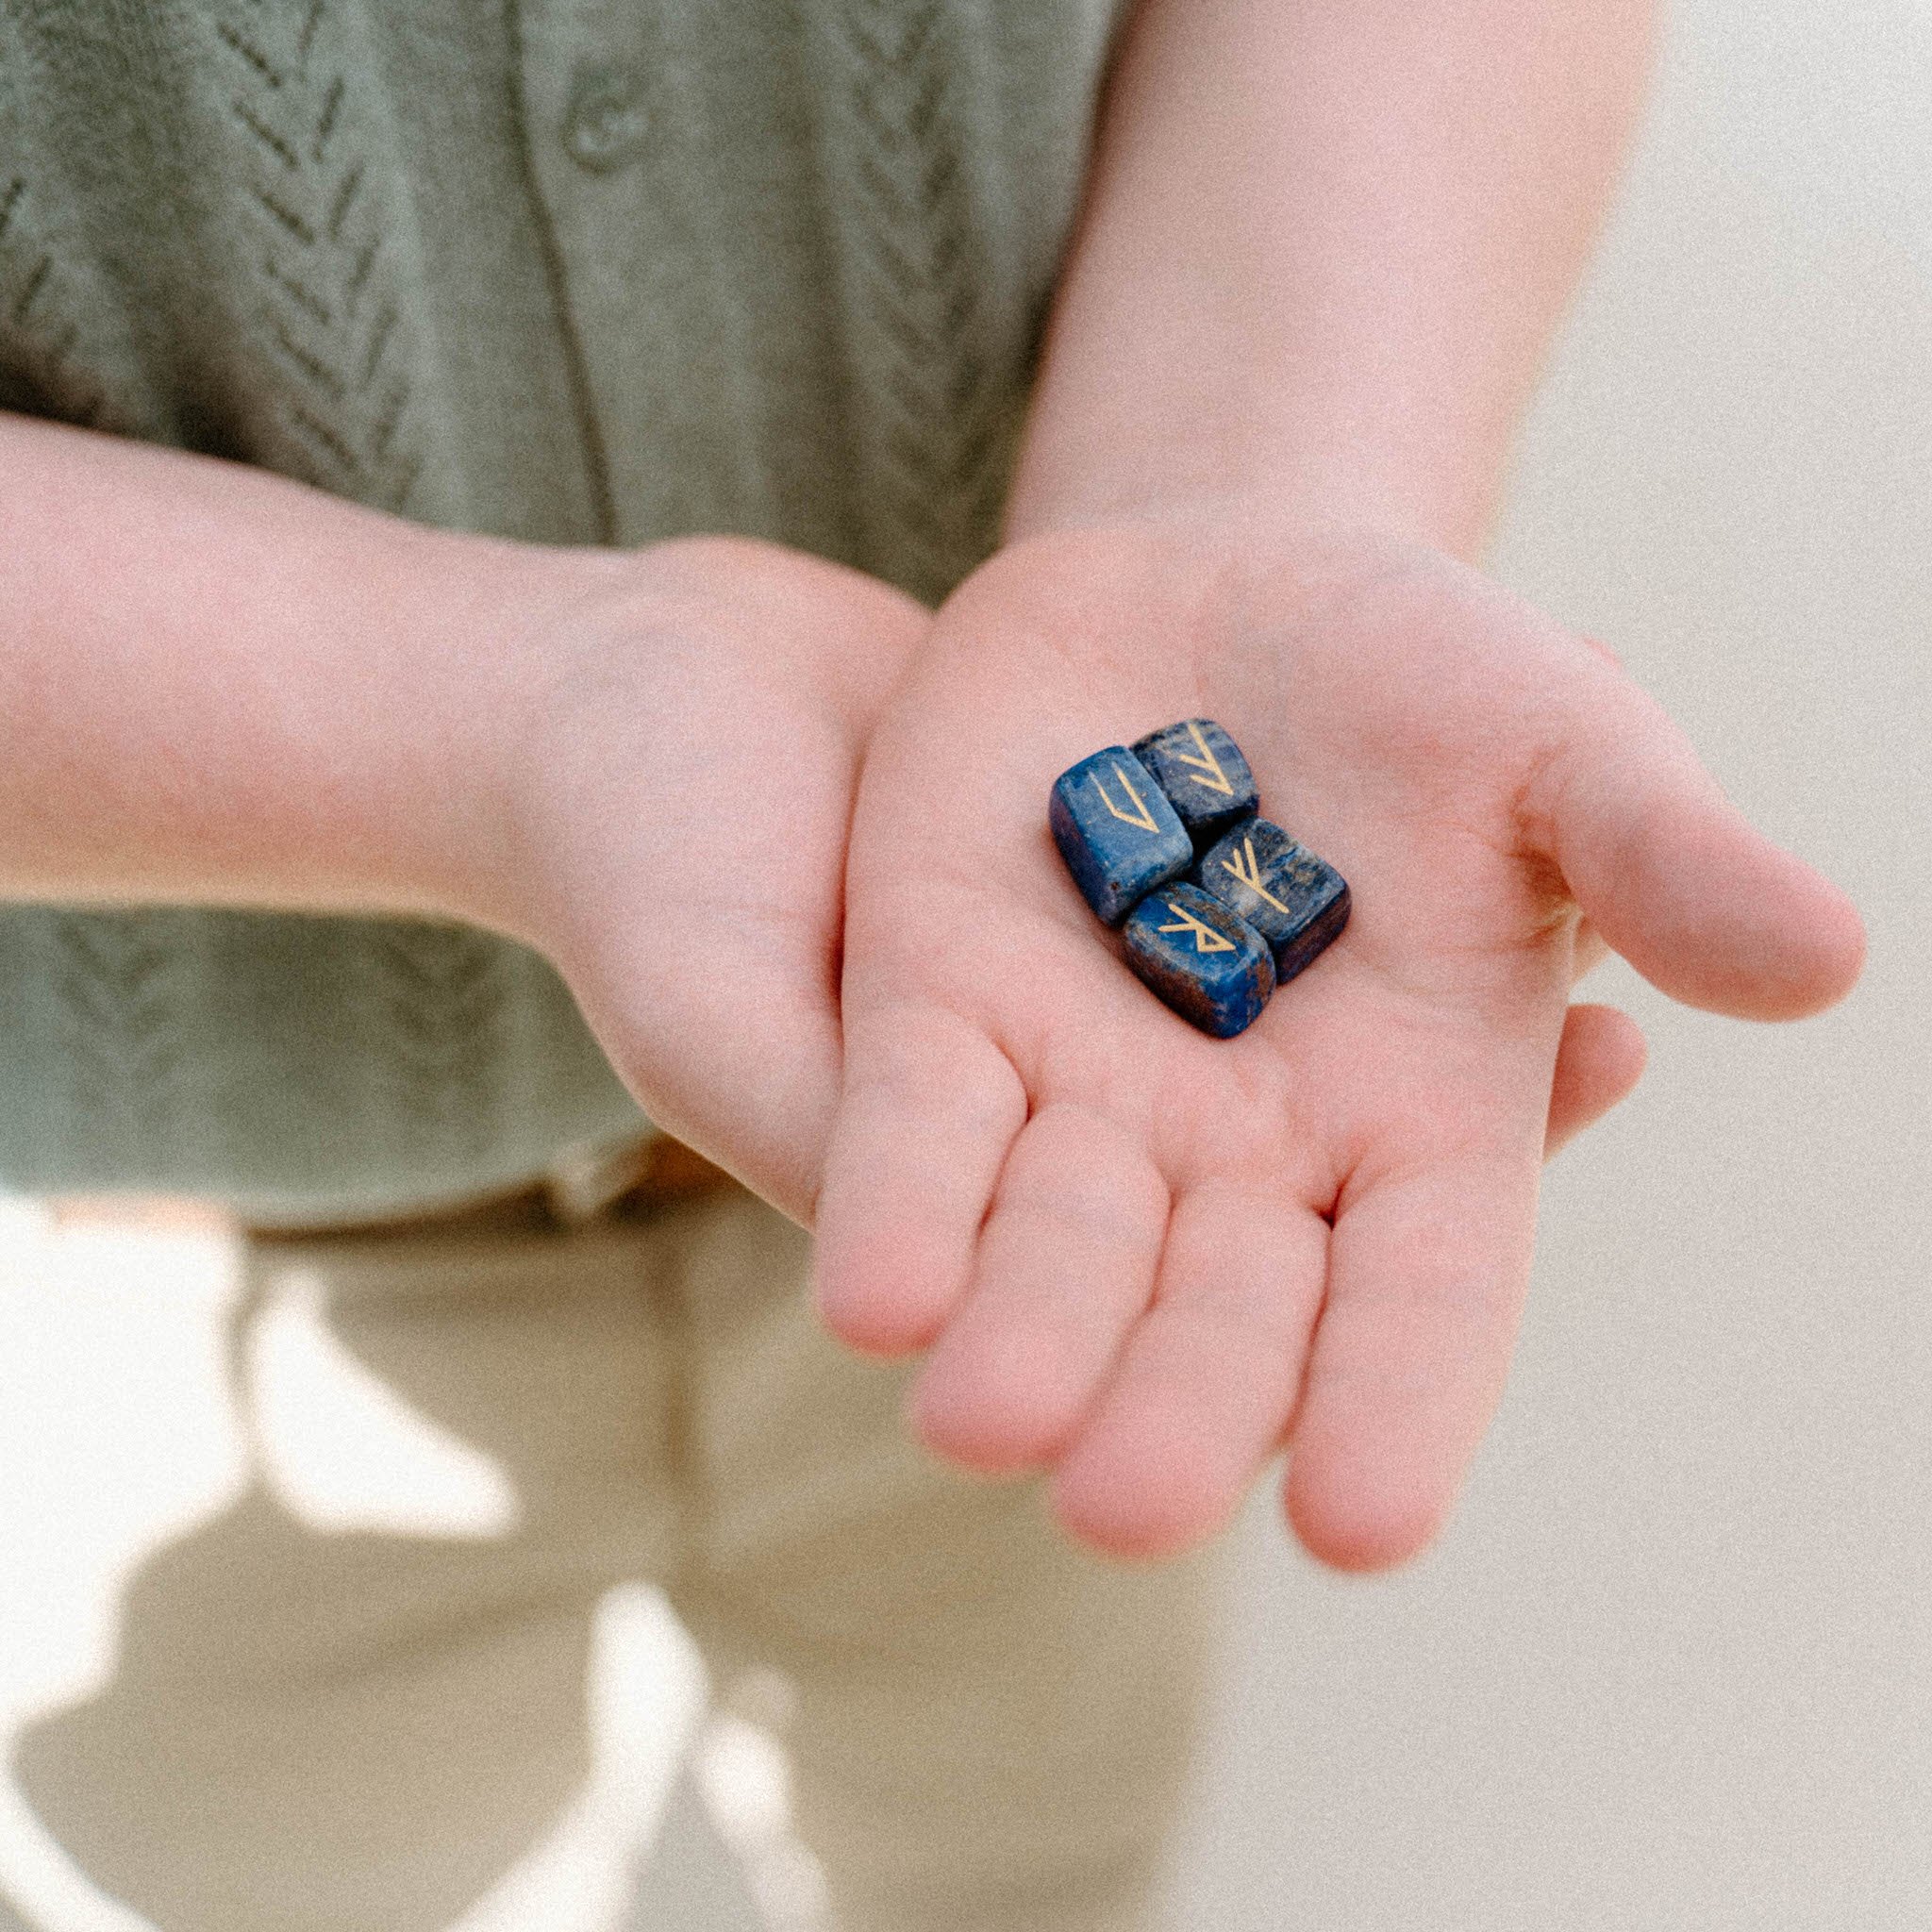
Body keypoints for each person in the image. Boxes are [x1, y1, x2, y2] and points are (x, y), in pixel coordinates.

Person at [0, 0, 1864, 1926]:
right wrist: (491, 716)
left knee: (1025, 1878)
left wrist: (1262, 474)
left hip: (1053, 1234)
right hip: (153, 1282)